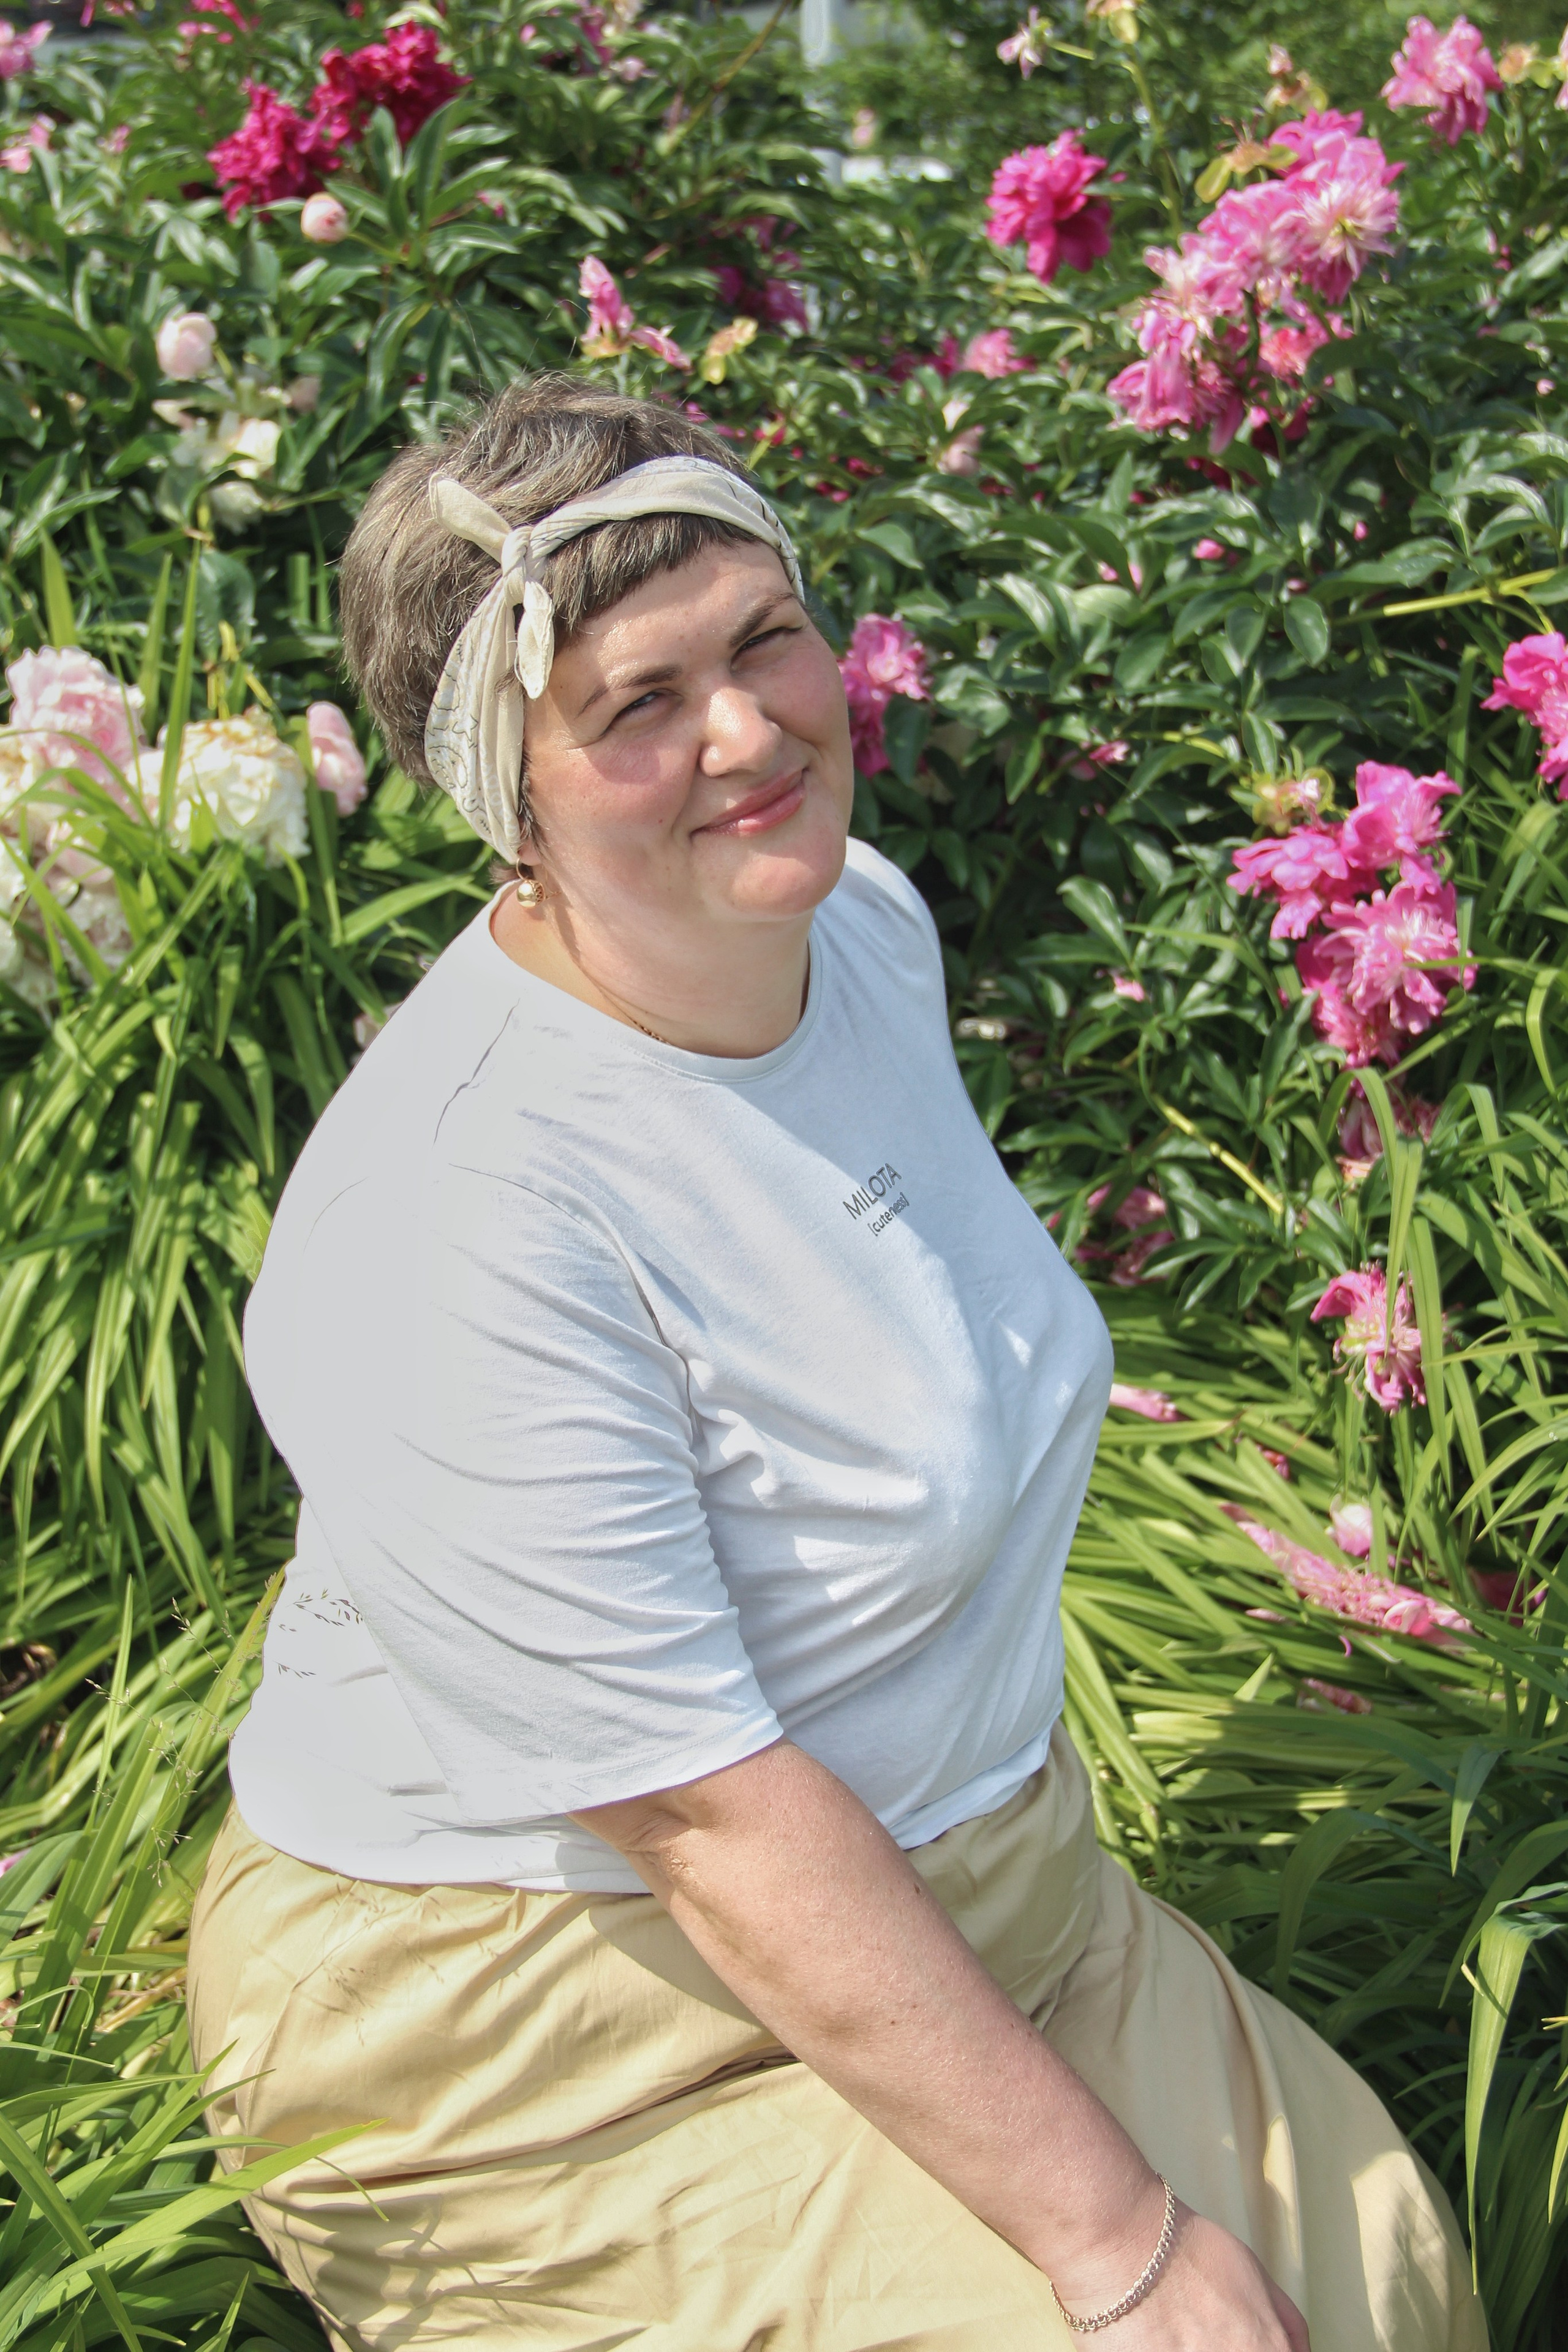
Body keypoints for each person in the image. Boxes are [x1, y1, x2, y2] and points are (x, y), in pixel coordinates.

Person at [186, 375, 1486, 2352]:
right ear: (502, 793)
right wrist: (1115, 2245)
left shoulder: (854, 928)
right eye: (634, 703)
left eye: (764, 637)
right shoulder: (459, 1218)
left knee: (1379, 2287)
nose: (745, 732)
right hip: (539, 2027)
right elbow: (701, 1816)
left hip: (979, 1883)